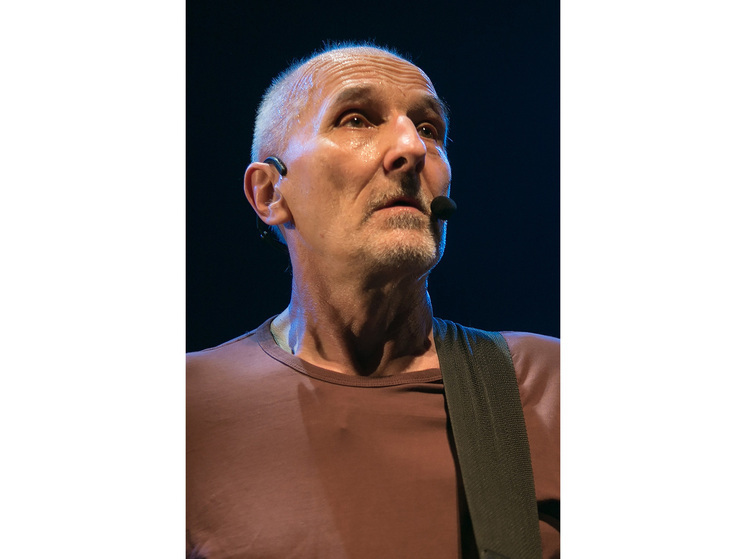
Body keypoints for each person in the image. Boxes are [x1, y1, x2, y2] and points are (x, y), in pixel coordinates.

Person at [186, 43, 559, 559]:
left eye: (428, 128)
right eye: (356, 119)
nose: (412, 147)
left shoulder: (549, 385)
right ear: (270, 193)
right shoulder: (188, 407)